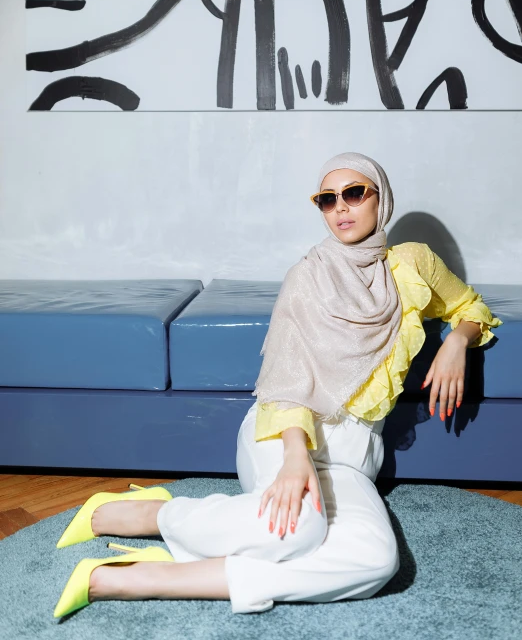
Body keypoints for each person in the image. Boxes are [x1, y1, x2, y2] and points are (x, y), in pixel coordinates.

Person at [53, 152, 503, 616]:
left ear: (380, 198)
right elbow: (286, 377)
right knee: (301, 527)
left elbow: (470, 307)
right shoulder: (306, 276)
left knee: (375, 560)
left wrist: (457, 343)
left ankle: (139, 572)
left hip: (352, 457)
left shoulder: (414, 265)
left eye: (353, 193)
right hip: (283, 433)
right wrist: (295, 456)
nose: (341, 208)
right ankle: (148, 521)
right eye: (327, 200)